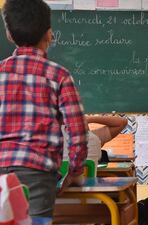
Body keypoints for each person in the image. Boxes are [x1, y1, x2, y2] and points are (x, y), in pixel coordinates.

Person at [0, 0, 87, 218]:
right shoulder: (59, 76)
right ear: (49, 33)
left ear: (9, 35)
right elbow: (77, 132)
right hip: (37, 173)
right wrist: (75, 171)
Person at [63, 115, 128, 167]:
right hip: (87, 182)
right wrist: (89, 119)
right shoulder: (93, 139)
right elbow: (122, 122)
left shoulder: (91, 138)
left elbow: (121, 122)